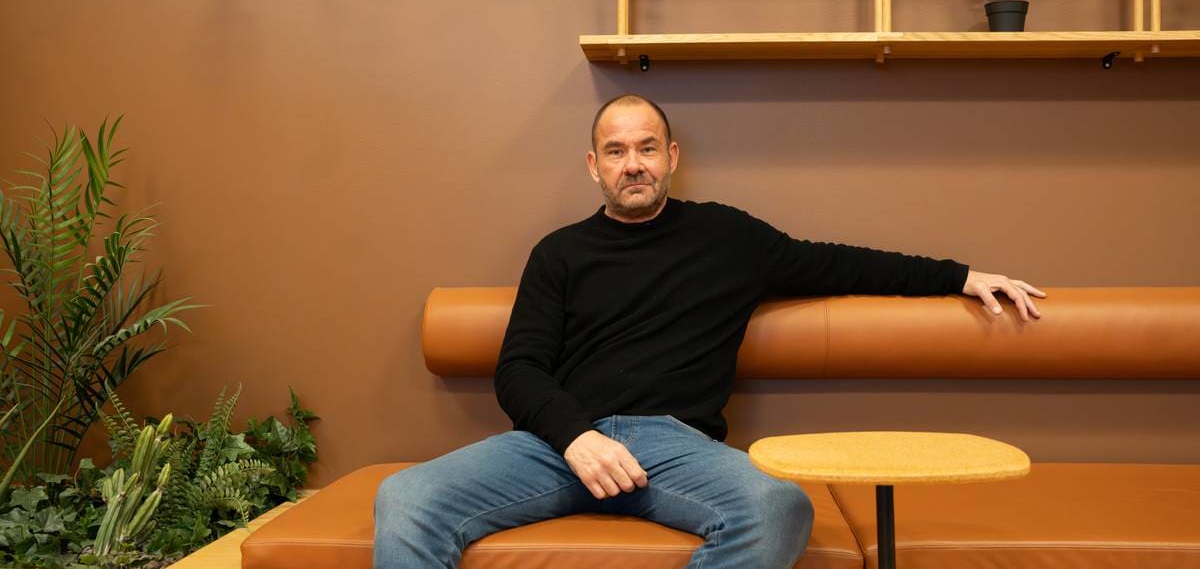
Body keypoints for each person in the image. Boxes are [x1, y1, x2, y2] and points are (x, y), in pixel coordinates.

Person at [374, 94, 1045, 568]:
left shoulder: (729, 237)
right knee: (405, 496)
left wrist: (960, 276)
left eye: (646, 148)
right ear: (593, 165)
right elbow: (519, 368)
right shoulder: (560, 252)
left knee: (779, 506)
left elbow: (843, 262)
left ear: (670, 156)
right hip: (558, 443)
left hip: (673, 447)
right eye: (615, 151)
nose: (632, 164)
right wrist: (576, 437)